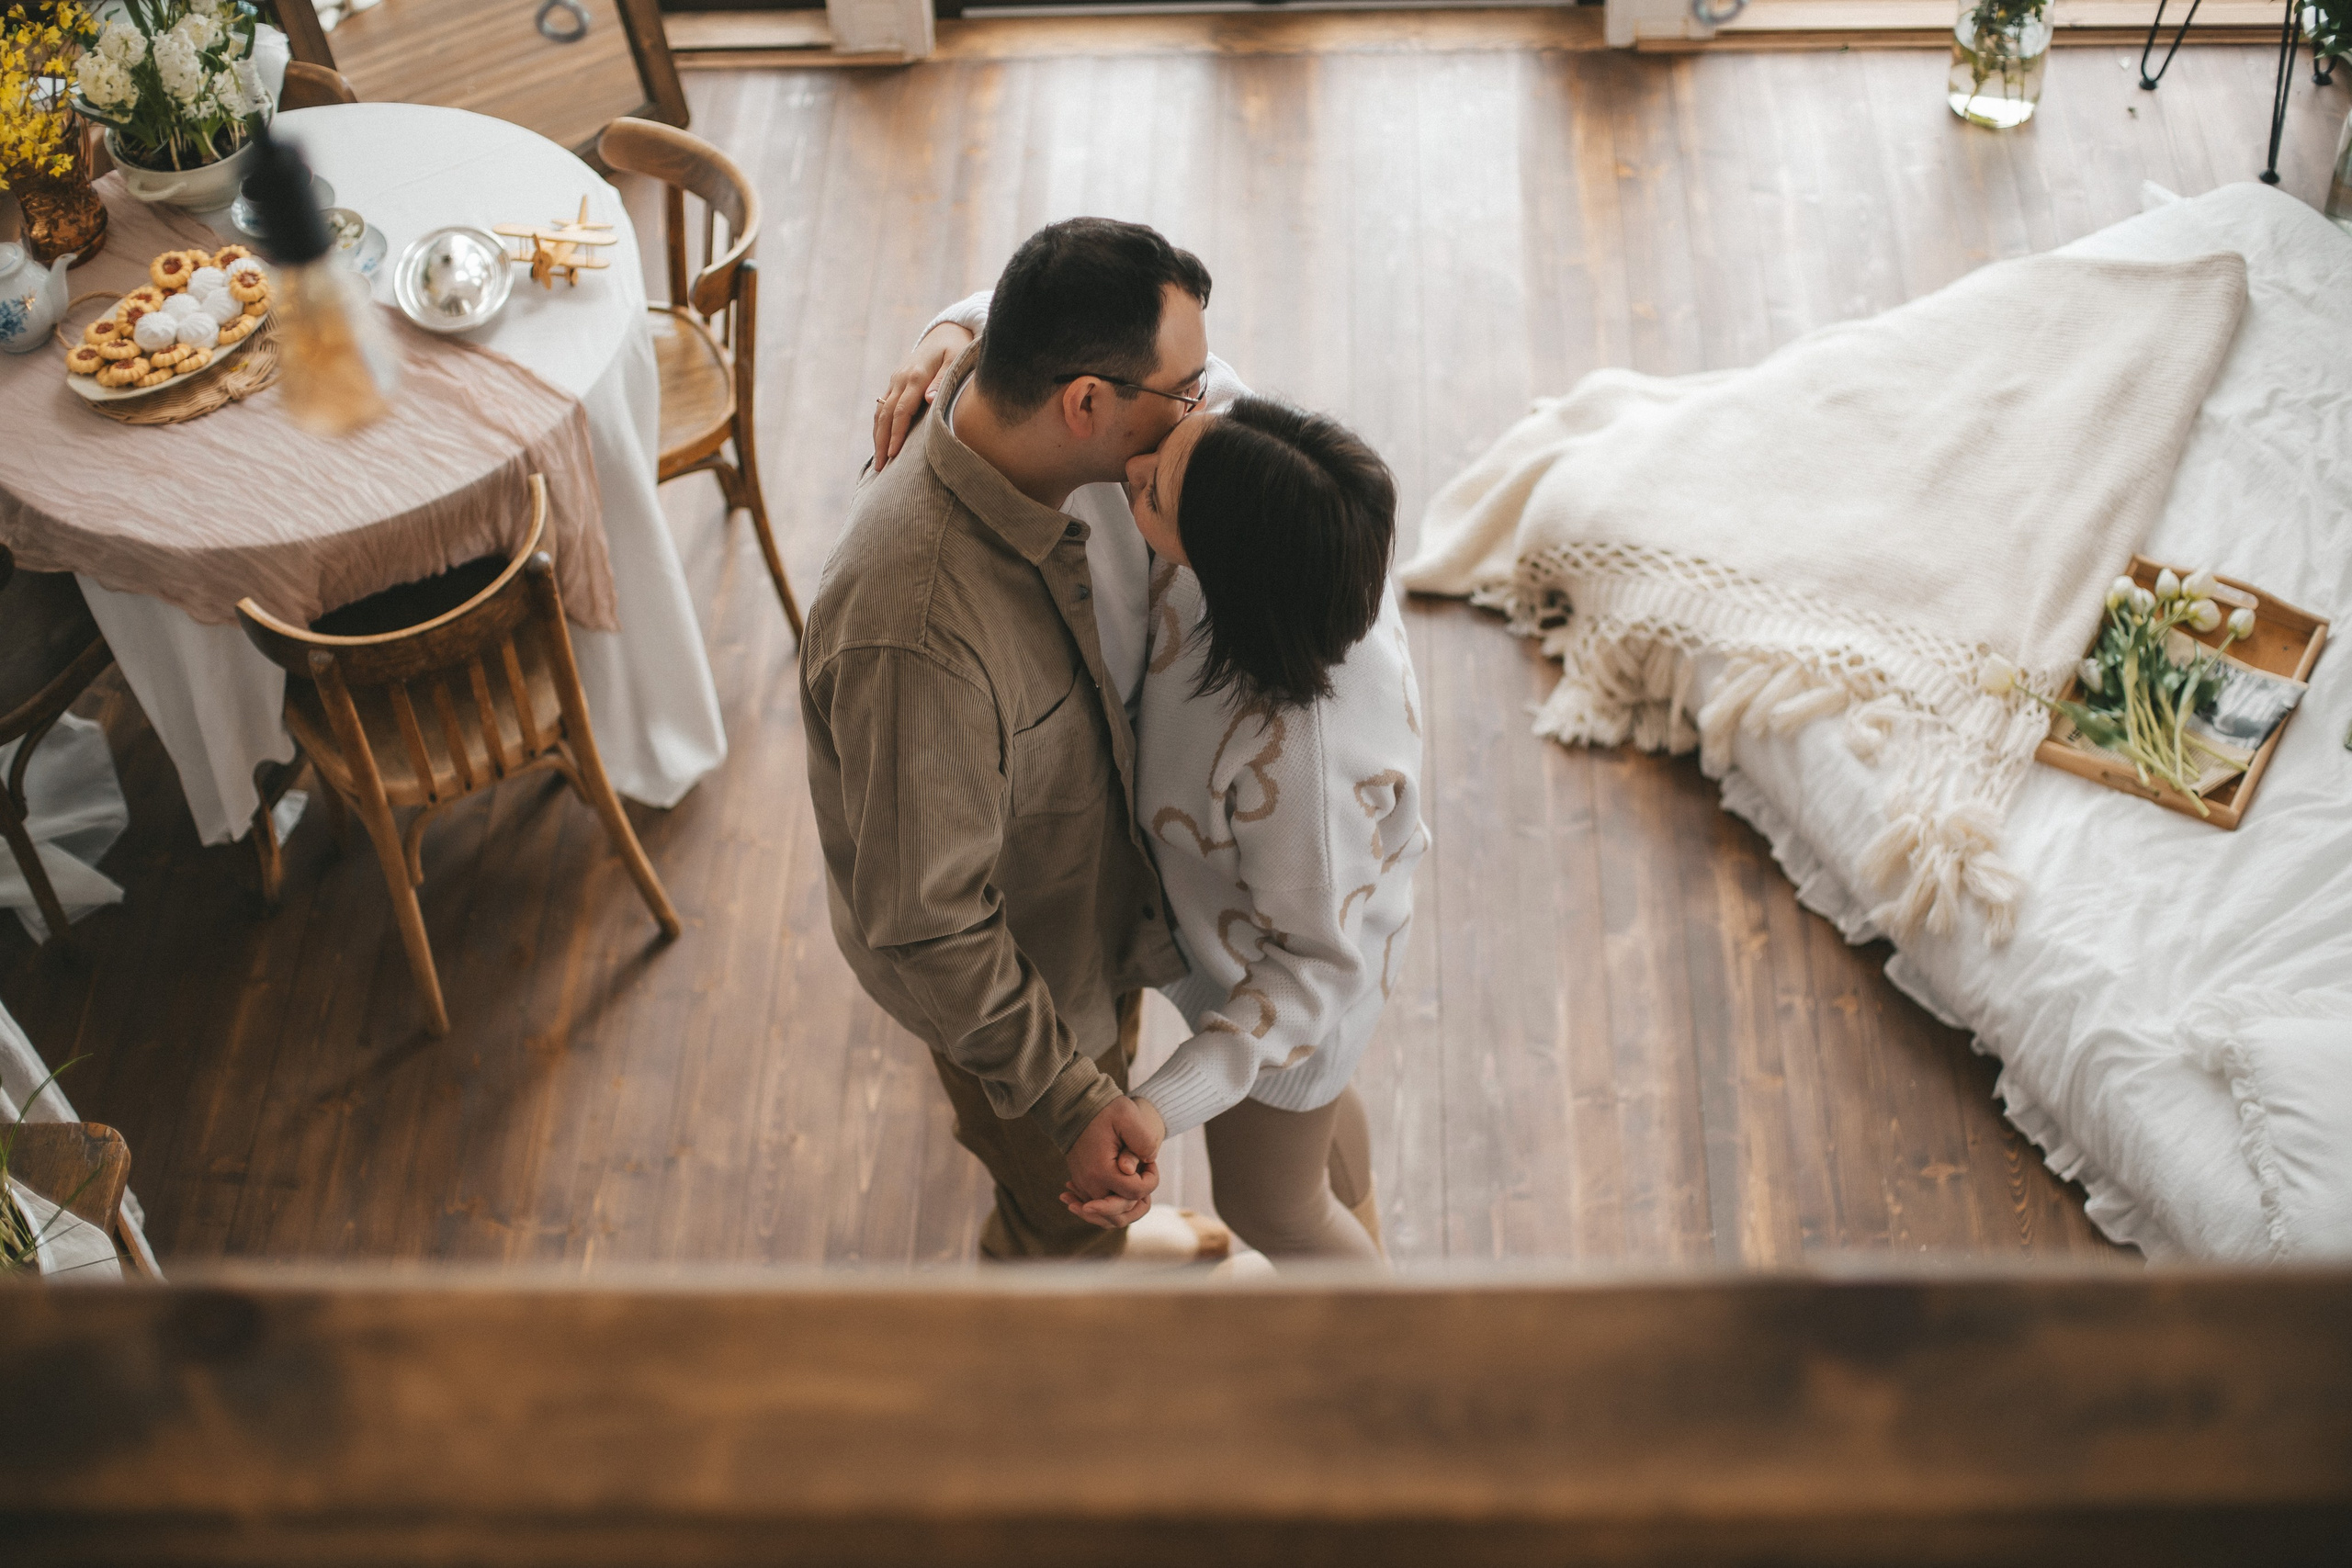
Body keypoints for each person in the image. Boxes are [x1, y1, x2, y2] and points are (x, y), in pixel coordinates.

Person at [803, 219, 1231, 1260]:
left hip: (1081, 915)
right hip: (1016, 992)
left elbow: (1015, 302)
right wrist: (1069, 1101)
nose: (1201, 410)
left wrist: (949, 325)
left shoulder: (1015, 405)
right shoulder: (917, 634)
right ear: (1085, 404)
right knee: (1062, 1228)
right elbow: (926, 924)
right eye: (1185, 393)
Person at [1065, 398, 1426, 1263]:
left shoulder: (1301, 765)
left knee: (1273, 1207)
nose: (1135, 469)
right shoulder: (1296, 540)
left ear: (1229, 564)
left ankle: (1400, 1360)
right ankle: (1363, 1235)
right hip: (1276, 938)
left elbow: (1312, 973)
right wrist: (954, 332)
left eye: (1157, 494)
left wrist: (1157, 1104)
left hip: (1290, 989)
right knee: (1317, 1124)